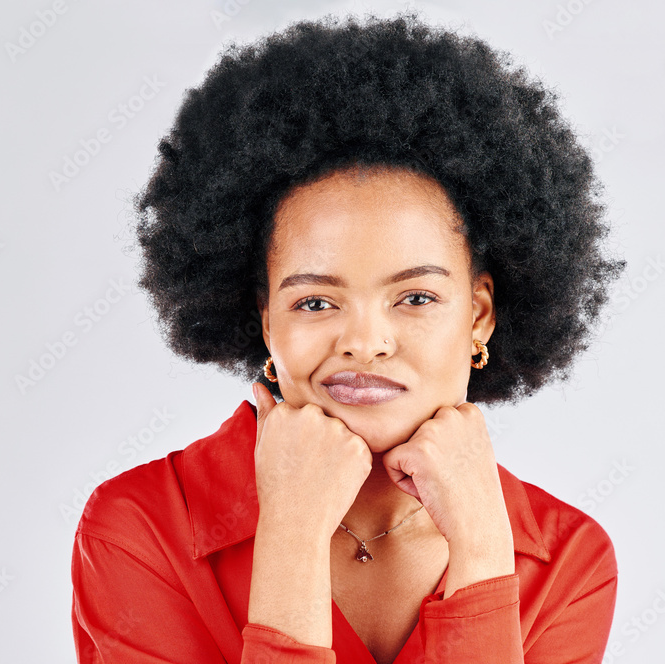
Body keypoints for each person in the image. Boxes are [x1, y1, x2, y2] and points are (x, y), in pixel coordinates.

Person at [70, 11, 624, 663]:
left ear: (478, 315)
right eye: (315, 301)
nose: (365, 341)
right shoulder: (142, 526)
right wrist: (292, 539)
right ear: (265, 318)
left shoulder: (568, 559)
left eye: (415, 297)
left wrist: (482, 551)